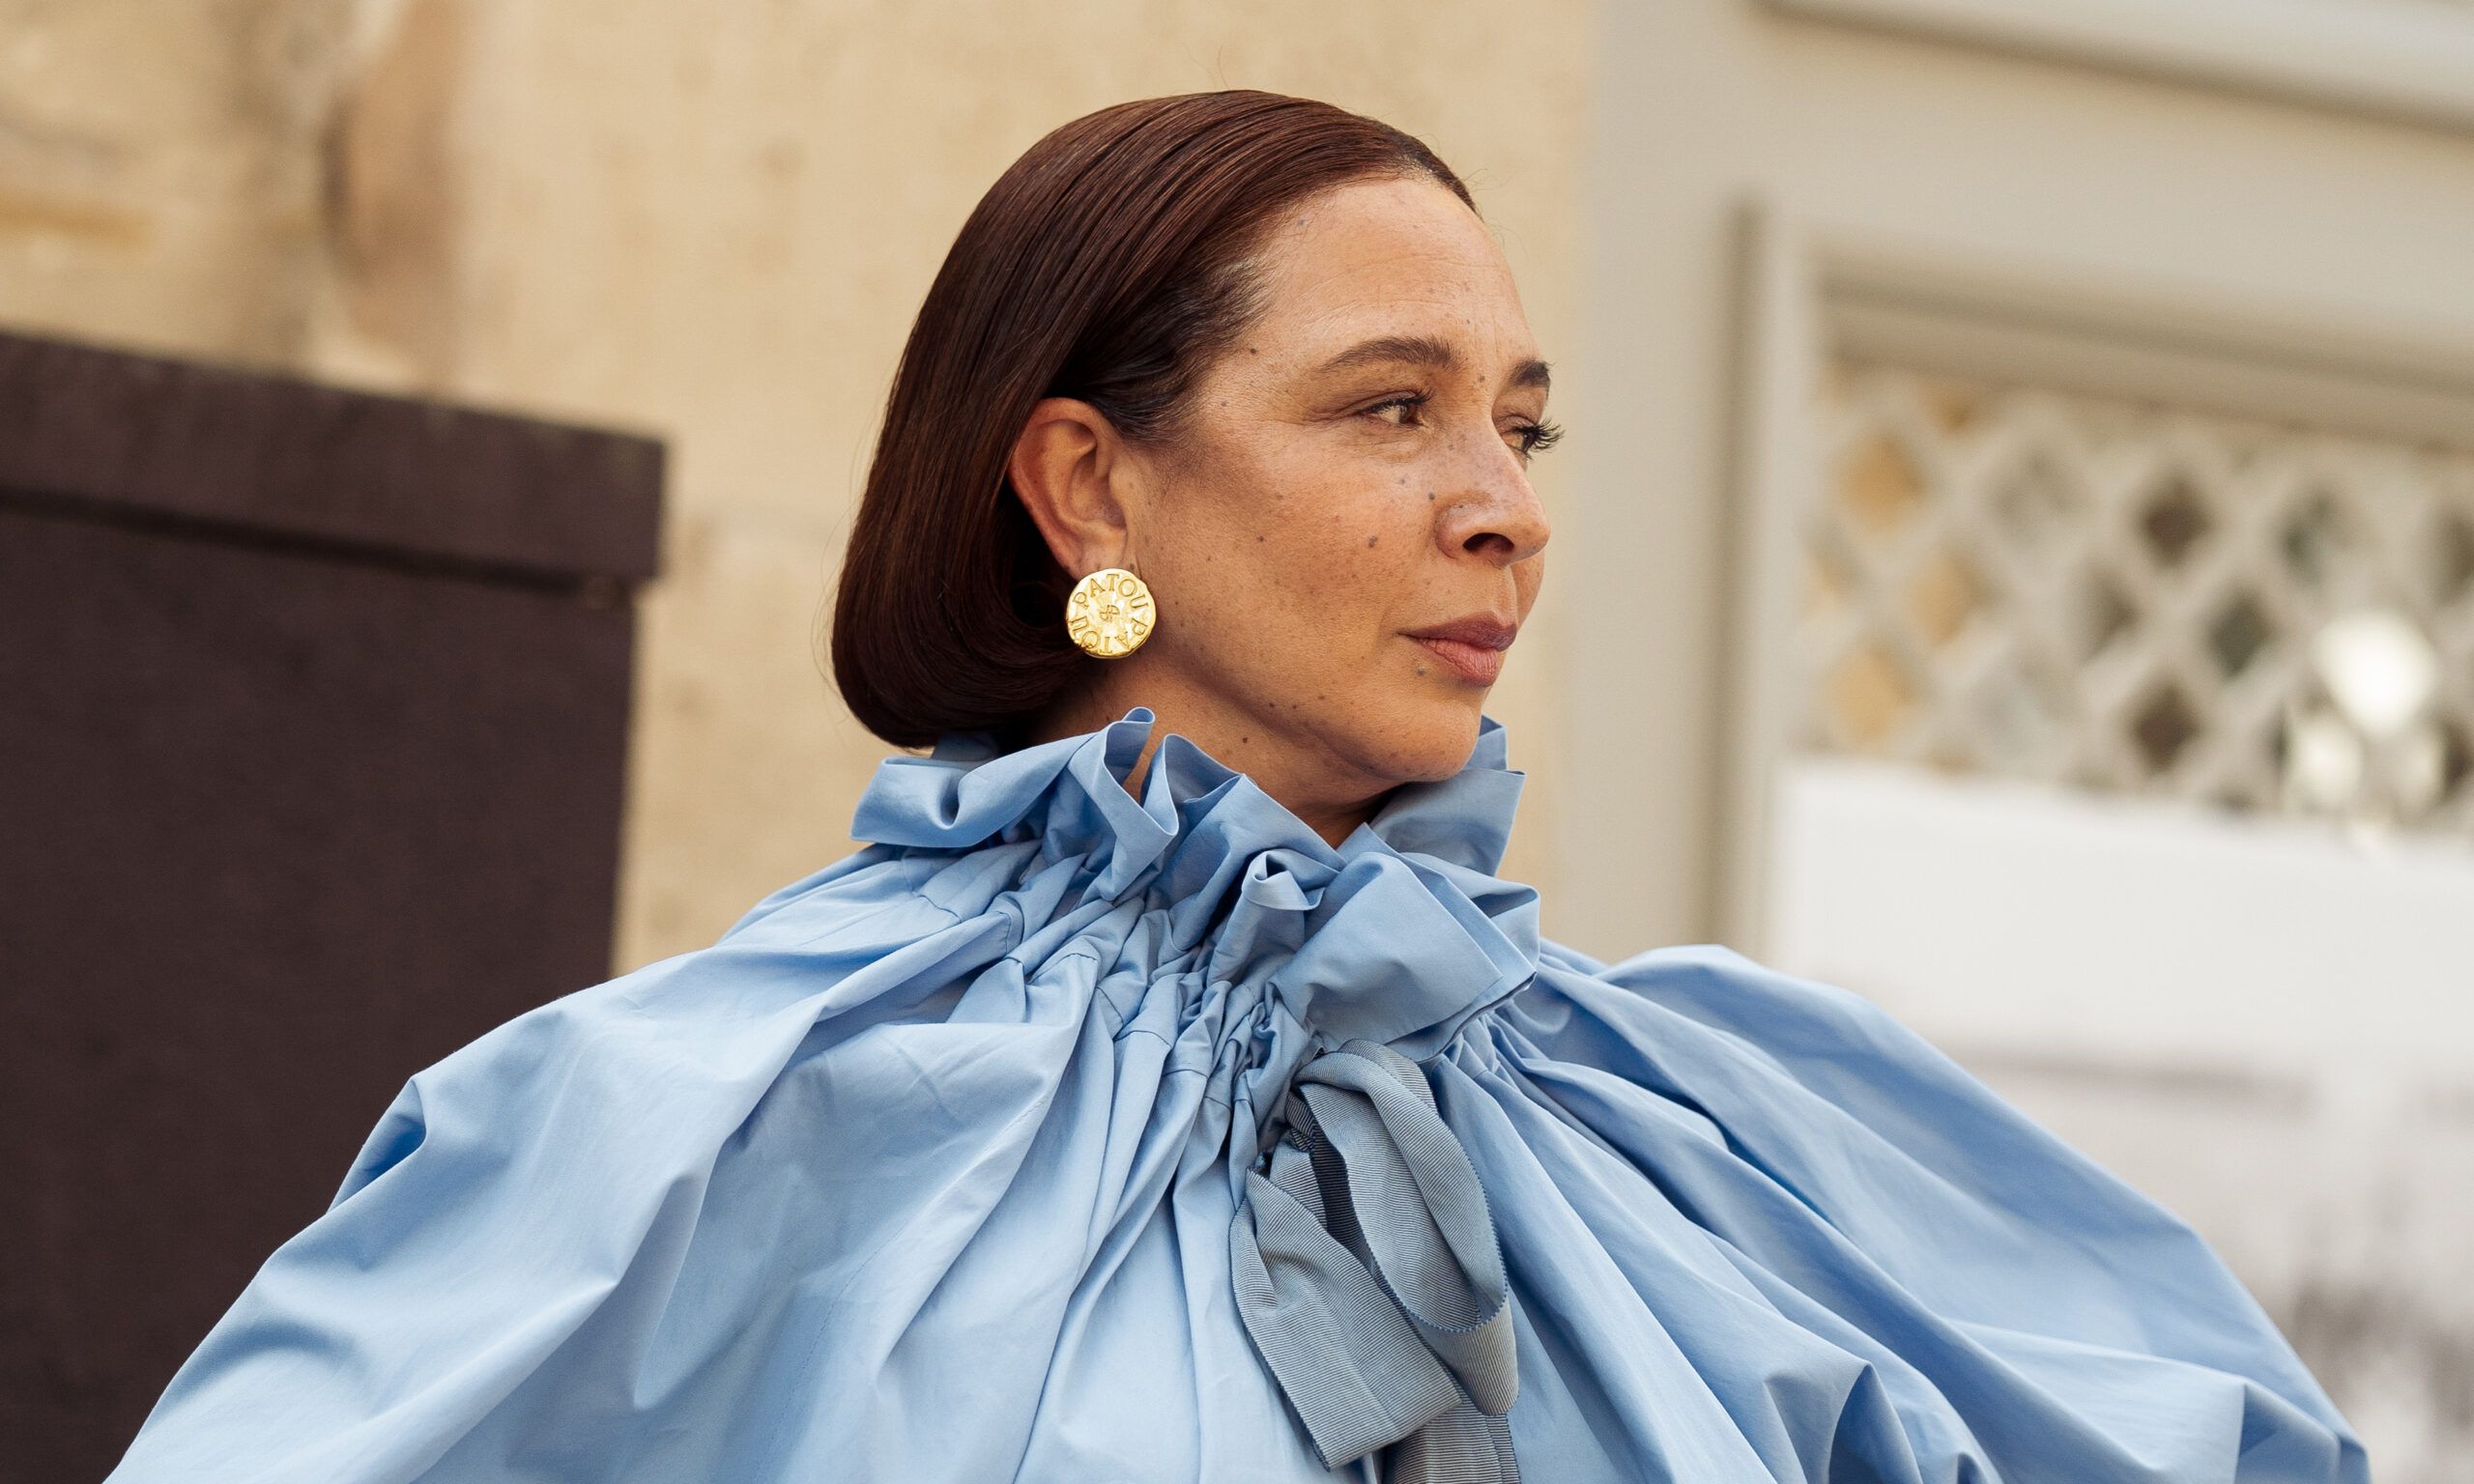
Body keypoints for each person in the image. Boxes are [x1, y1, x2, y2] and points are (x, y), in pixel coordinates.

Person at [106, 90, 2366, 1483]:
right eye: (1389, 409)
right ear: (1086, 486)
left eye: (1520, 423)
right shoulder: (685, 1138)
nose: (1502, 506)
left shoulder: (1751, 1137)